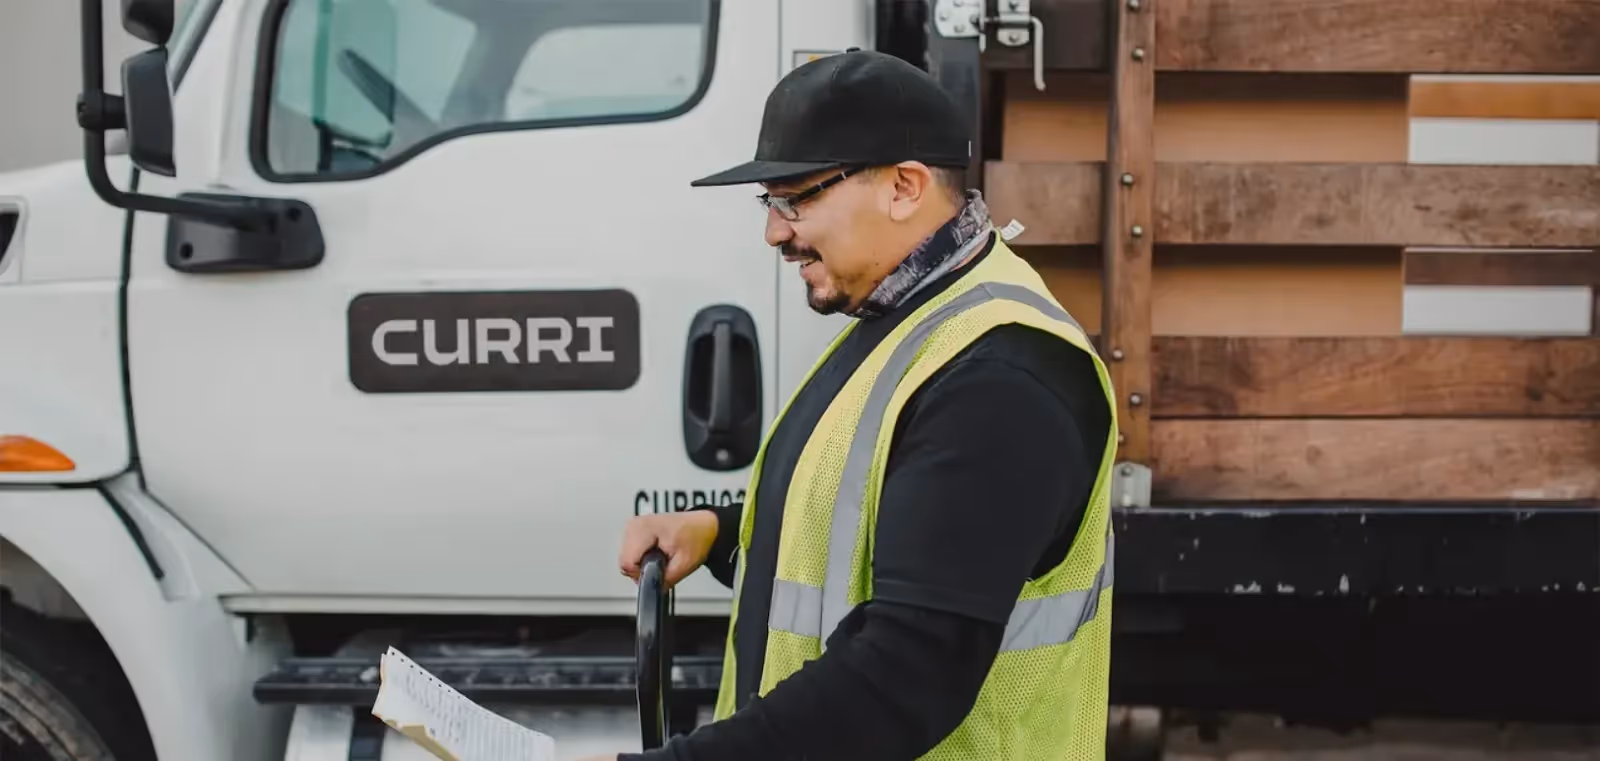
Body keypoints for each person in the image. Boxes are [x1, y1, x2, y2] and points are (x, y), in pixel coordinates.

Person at [582, 49, 1119, 761]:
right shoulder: (908, 320)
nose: (775, 232)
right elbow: (872, 525)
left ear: (904, 187)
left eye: (796, 199)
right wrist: (722, 533)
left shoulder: (999, 379)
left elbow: (901, 677)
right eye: (768, 204)